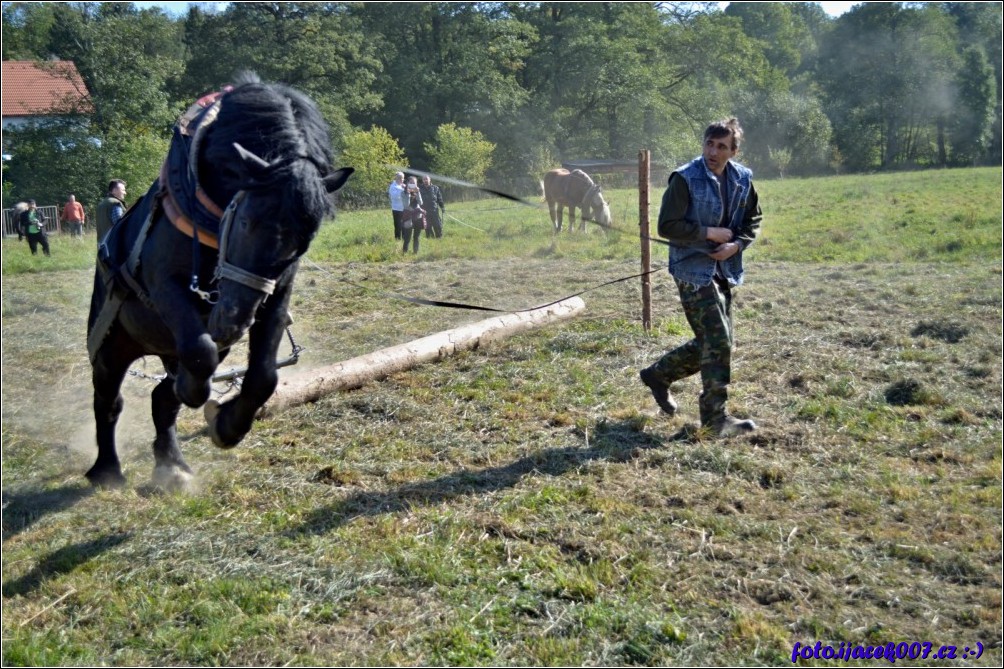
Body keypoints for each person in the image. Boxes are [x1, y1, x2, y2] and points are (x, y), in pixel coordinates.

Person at [639, 117, 762, 437]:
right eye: (709, 143)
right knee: (718, 340)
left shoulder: (742, 179)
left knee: (718, 343)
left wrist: (736, 245)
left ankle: (659, 375)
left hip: (725, 268)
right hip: (692, 270)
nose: (713, 151)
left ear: (733, 151)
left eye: (722, 146)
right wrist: (708, 233)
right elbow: (667, 226)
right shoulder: (685, 178)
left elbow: (752, 220)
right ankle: (714, 419)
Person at [401, 176, 425, 254]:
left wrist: (417, 193)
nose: (412, 184)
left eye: (414, 183)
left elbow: (421, 203)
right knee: (407, 237)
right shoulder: (403, 193)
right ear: (407, 183)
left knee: (416, 236)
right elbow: (406, 205)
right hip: (408, 215)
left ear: (416, 184)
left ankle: (415, 252)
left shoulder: (417, 191)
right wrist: (408, 194)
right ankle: (404, 252)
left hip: (417, 215)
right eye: (410, 183)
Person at [388, 172, 406, 240]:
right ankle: (397, 239)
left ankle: (405, 238)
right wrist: (402, 190)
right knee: (398, 225)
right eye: (400, 178)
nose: (401, 179)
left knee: (404, 225)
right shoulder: (393, 186)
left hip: (404, 208)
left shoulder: (404, 185)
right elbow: (395, 196)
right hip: (396, 209)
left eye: (402, 178)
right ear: (396, 178)